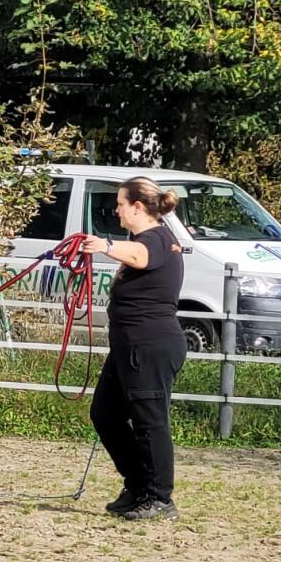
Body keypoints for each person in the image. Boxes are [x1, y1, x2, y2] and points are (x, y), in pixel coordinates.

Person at [82, 177, 187, 521]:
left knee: (149, 420)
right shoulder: (150, 238)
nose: (117, 210)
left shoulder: (155, 239)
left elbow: (140, 257)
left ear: (137, 207)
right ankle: (138, 485)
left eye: (120, 203)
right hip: (129, 345)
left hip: (149, 343)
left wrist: (104, 246)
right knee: (105, 413)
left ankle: (159, 497)